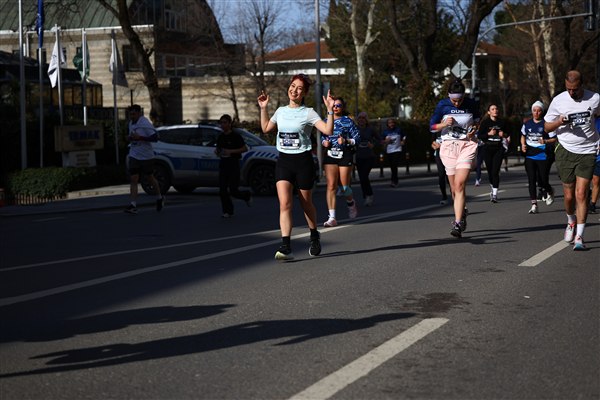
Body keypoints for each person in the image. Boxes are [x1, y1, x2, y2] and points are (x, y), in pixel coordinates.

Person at [258, 74, 335, 261]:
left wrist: (330, 111)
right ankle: (286, 246)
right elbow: (266, 128)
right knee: (285, 204)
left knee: (306, 203)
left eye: (299, 88)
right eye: (293, 86)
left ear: (304, 93)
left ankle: (314, 235)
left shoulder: (308, 113)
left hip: (303, 162)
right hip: (284, 161)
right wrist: (264, 108)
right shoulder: (280, 111)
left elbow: (327, 130)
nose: (294, 90)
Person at [544, 70, 600, 250]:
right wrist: (559, 122)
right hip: (565, 150)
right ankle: (571, 220)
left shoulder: (595, 98)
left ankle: (579, 237)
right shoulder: (558, 101)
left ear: (581, 85)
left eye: (574, 89)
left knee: (581, 193)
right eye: (568, 89)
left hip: (588, 150)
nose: (571, 92)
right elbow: (546, 127)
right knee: (569, 196)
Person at [429, 78, 480, 238]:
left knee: (459, 184)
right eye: (454, 100)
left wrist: (473, 130)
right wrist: (443, 124)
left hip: (467, 145)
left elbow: (477, 123)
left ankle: (457, 223)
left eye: (460, 100)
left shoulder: (471, 104)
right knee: (453, 189)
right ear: (448, 95)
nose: (457, 103)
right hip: (448, 147)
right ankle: (462, 212)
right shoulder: (442, 105)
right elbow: (432, 127)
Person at [321, 98, 361, 227]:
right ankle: (332, 217)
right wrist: (324, 142)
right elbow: (323, 136)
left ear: (343, 107)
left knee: (344, 187)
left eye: (338, 105)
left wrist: (346, 141)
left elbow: (357, 138)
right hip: (330, 153)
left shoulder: (348, 121)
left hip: (344, 154)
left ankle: (351, 203)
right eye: (333, 105)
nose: (335, 107)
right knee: (331, 185)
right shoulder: (326, 120)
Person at [124, 104, 164, 214]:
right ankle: (133, 205)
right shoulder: (131, 123)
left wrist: (140, 137)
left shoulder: (144, 123)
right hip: (134, 154)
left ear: (139, 113)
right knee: (134, 179)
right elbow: (133, 137)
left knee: (150, 178)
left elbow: (155, 138)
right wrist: (129, 138)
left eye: (133, 114)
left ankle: (159, 197)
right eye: (130, 114)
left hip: (146, 156)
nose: (132, 116)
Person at [520, 101, 557, 214]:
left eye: (539, 110)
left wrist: (545, 141)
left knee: (543, 181)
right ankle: (534, 204)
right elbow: (523, 135)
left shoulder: (546, 124)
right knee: (531, 180)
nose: (536, 113)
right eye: (534, 110)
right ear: (532, 111)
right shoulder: (527, 124)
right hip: (530, 155)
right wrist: (523, 145)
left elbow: (554, 139)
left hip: (543, 156)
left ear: (542, 112)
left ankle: (550, 191)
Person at [215, 114, 252, 218]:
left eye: (225, 123)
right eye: (221, 123)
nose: (223, 125)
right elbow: (219, 149)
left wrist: (231, 151)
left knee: (233, 190)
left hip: (233, 164)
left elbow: (244, 148)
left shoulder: (236, 136)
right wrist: (218, 152)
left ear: (230, 124)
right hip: (223, 164)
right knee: (222, 190)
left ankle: (246, 196)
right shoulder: (221, 137)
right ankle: (227, 211)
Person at [478, 104, 508, 203]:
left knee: (495, 171)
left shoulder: (502, 122)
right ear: (489, 112)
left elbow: (508, 133)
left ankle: (494, 194)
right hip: (487, 148)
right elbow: (480, 136)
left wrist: (503, 134)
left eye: (496, 109)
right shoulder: (485, 123)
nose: (495, 110)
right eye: (493, 109)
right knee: (490, 171)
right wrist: (489, 134)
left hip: (498, 148)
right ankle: (492, 187)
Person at [355, 111, 379, 206]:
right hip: (359, 156)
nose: (361, 120)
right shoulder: (355, 129)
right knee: (361, 178)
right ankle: (366, 195)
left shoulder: (371, 129)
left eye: (363, 118)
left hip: (369, 156)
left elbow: (379, 139)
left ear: (366, 120)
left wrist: (373, 144)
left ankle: (369, 194)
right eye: (360, 118)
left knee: (364, 176)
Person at [381, 118, 406, 187]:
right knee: (392, 166)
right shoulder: (385, 132)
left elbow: (404, 136)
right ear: (387, 124)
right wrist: (386, 141)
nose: (391, 124)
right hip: (389, 150)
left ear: (394, 123)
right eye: (389, 123)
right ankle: (394, 180)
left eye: (392, 123)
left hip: (397, 149)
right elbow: (381, 141)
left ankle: (394, 181)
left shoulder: (398, 130)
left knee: (394, 165)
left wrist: (403, 141)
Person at [431, 131, 449, 205]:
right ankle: (444, 196)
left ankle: (455, 195)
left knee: (449, 175)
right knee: (441, 175)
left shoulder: (450, 128)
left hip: (449, 154)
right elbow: (432, 142)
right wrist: (435, 145)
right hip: (439, 154)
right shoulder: (436, 130)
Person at [589, 116, 600, 213]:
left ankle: (592, 204)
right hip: (585, 154)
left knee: (596, 180)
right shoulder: (586, 119)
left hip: (598, 156)